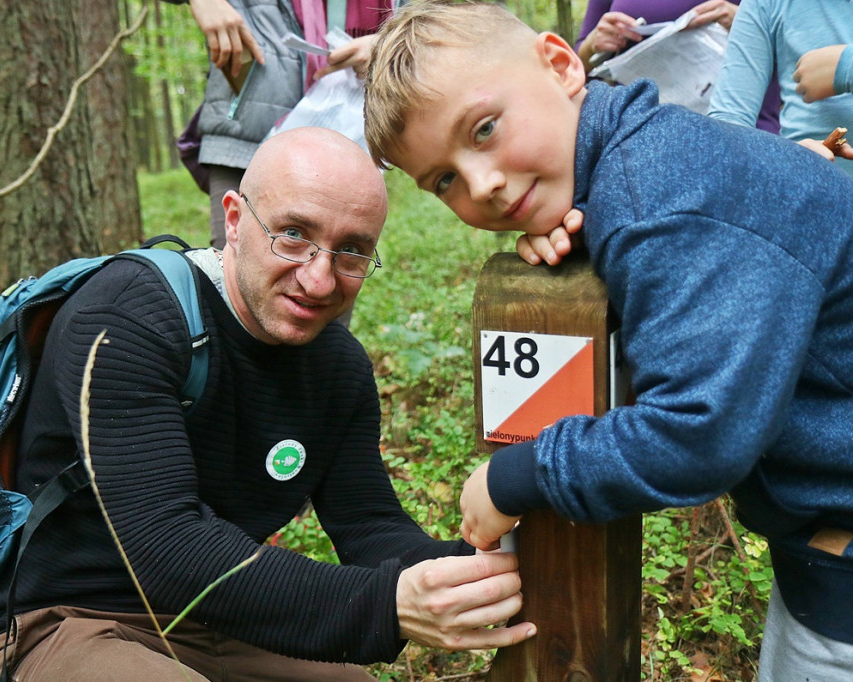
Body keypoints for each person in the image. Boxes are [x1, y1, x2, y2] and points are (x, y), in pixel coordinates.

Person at [362, 2, 853, 679]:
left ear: (562, 65)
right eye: (443, 180)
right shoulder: (651, 162)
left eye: (484, 129)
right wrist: (593, 228)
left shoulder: (654, 196)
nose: (483, 185)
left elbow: (698, 433)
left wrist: (519, 475)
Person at [0, 127, 535, 682]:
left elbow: (367, 524)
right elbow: (168, 547)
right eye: (293, 234)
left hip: (221, 622)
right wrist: (387, 605)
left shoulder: (337, 366)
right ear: (236, 220)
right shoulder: (128, 316)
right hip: (70, 622)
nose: (319, 281)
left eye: (351, 252)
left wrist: (476, 568)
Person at [170, 0, 391, 250]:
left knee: (329, 271)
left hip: (348, 133)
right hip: (245, 130)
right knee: (231, 268)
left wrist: (391, 42)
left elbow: (431, 18)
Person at [575, 0, 780, 132]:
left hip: (740, 132)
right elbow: (575, 65)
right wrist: (594, 44)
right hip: (639, 136)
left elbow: (801, 52)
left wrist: (747, 21)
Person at [707, 0, 853, 176]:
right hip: (810, 191)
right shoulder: (766, 4)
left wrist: (847, 67)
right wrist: (780, 159)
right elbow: (727, 123)